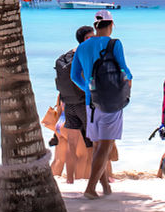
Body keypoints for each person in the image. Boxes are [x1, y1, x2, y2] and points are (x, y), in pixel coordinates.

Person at [71, 12, 132, 198]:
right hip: (110, 101)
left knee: (98, 146)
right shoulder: (114, 44)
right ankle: (90, 189)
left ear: (95, 25)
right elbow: (124, 70)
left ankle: (106, 188)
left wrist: (89, 89)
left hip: (91, 103)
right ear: (111, 24)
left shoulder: (82, 47)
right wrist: (128, 83)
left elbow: (74, 76)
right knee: (105, 146)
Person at [55, 26, 95, 185]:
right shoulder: (85, 55)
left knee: (71, 146)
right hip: (83, 104)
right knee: (93, 144)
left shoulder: (66, 56)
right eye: (91, 37)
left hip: (68, 104)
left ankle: (70, 180)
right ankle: (94, 179)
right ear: (85, 39)